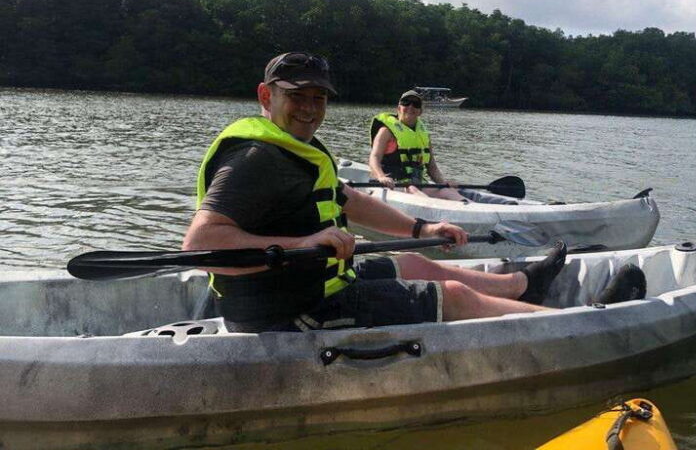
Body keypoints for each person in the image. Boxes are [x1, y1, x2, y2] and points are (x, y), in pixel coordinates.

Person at [182, 52, 646, 333]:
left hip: (318, 283)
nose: (309, 108)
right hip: (289, 311)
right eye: (296, 96)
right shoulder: (255, 160)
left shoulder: (298, 148)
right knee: (453, 296)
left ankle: (523, 286)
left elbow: (347, 199)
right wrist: (302, 244)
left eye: (317, 98)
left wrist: (423, 225)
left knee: (414, 261)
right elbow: (200, 245)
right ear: (266, 96)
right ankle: (584, 323)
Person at [368, 89, 466, 201]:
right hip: (393, 185)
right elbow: (374, 158)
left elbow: (432, 167)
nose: (410, 107)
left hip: (418, 183)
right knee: (412, 189)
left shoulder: (424, 135)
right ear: (399, 108)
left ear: (420, 111)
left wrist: (443, 183)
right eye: (406, 103)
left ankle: (469, 207)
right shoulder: (385, 131)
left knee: (446, 191)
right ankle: (430, 209)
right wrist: (381, 176)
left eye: (416, 104)